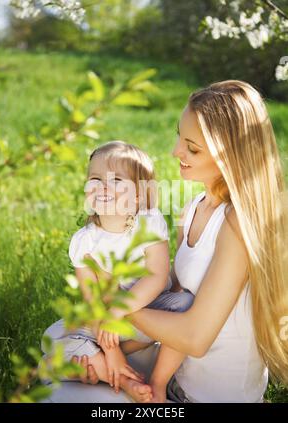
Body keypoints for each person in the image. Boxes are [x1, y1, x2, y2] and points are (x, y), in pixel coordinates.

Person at [44, 80, 288, 403]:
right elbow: (170, 288)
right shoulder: (195, 207)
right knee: (54, 341)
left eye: (192, 147)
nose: (176, 151)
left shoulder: (239, 224)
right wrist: (107, 338)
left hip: (204, 397)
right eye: (178, 136)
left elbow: (195, 338)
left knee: (61, 393)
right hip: (172, 371)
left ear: (228, 154)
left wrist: (115, 305)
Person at [41, 140, 194, 403]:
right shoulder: (84, 241)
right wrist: (112, 350)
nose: (103, 187)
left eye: (116, 180)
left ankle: (157, 383)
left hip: (150, 311)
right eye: (96, 178)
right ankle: (123, 377)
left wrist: (118, 311)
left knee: (186, 304)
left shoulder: (149, 221)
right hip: (104, 322)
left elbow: (157, 277)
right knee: (52, 338)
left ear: (138, 194)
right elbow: (92, 301)